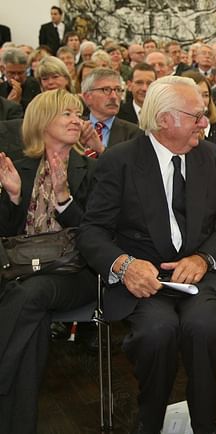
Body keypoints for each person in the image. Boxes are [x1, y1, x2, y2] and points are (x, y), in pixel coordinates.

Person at [77, 75, 216, 434]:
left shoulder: (208, 157)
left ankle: (203, 425)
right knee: (157, 332)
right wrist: (125, 265)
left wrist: (203, 259)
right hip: (142, 277)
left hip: (196, 274)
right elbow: (91, 232)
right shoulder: (120, 161)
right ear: (165, 119)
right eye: (196, 115)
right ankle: (149, 422)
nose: (205, 122)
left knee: (204, 328)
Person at [0, 89, 97, 434]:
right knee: (31, 321)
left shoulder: (93, 170)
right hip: (21, 273)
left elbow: (96, 237)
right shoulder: (18, 168)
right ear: (42, 121)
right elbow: (6, 235)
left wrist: (64, 199)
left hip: (75, 274)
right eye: (66, 114)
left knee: (29, 295)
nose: (77, 120)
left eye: (78, 114)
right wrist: (12, 198)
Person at [182, 70, 216, 176]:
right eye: (196, 95)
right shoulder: (175, 129)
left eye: (205, 95)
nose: (201, 100)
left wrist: (202, 145)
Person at [79, 68, 141, 157]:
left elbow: (131, 168)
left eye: (118, 90)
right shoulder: (75, 126)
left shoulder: (134, 134)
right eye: (106, 89)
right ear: (87, 97)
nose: (114, 96)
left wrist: (101, 149)